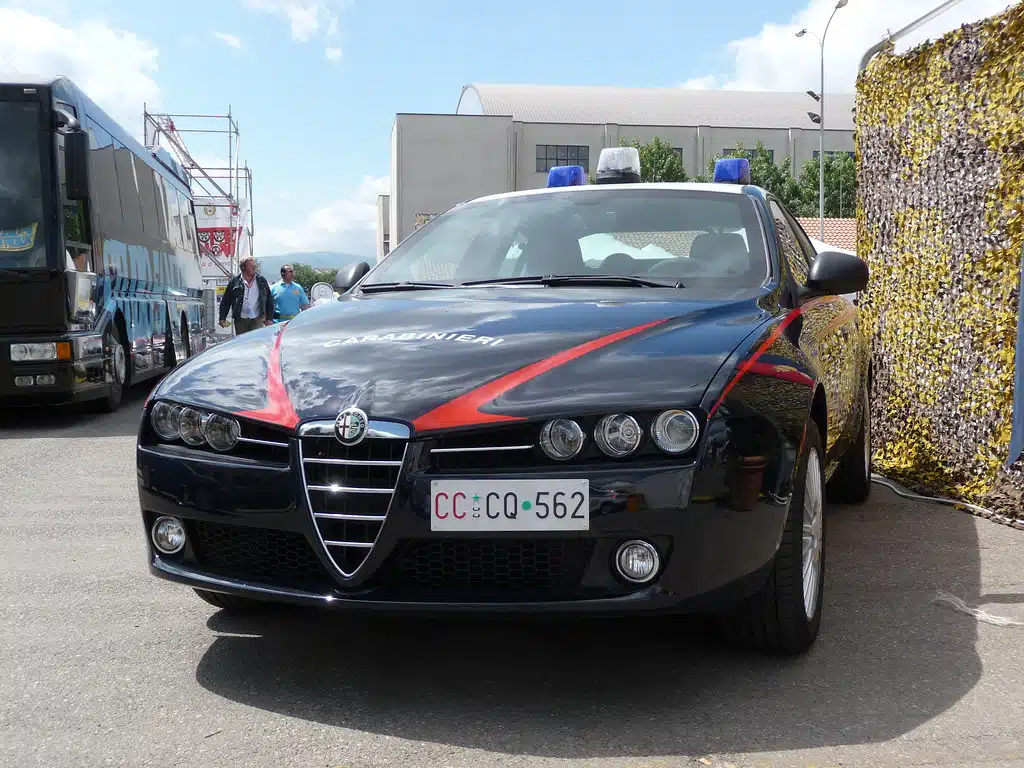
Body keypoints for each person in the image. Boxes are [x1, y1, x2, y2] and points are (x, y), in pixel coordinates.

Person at [219, 256, 273, 335]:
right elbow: (226, 300)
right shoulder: (235, 281)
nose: (254, 267)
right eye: (251, 266)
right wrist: (222, 317)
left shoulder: (261, 280)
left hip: (257, 318)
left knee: (255, 342)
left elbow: (269, 300)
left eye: (254, 265)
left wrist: (269, 318)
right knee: (242, 343)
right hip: (240, 319)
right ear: (243, 268)